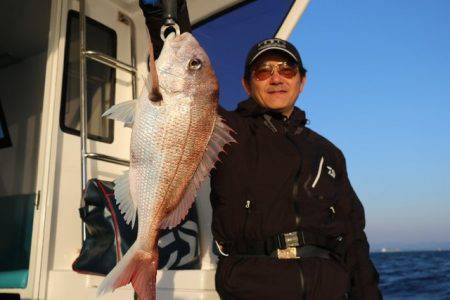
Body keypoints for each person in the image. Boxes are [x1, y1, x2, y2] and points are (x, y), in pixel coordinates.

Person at [140, 1, 382, 299]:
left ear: (302, 80)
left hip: (328, 287)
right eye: (263, 71)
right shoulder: (226, 129)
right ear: (246, 83)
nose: (276, 78)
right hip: (252, 284)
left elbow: (354, 237)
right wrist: (163, 15)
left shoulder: (328, 153)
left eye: (287, 69)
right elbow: (181, 82)